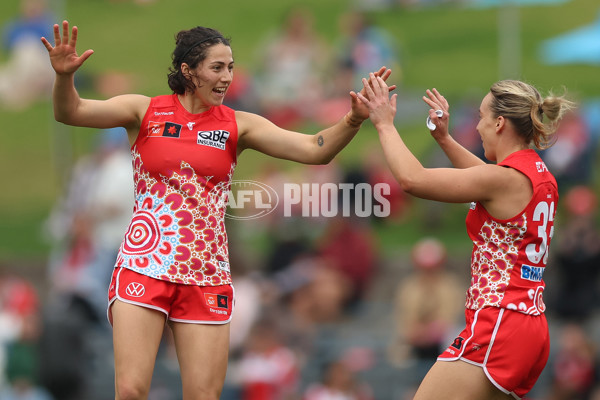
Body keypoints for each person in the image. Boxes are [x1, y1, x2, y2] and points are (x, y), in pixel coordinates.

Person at [41, 20, 394, 400]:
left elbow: (315, 148)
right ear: (187, 71)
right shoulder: (143, 111)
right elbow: (71, 112)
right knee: (129, 390)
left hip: (205, 274)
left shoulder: (239, 125)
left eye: (230, 67)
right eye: (217, 68)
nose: (227, 77)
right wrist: (64, 78)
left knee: (204, 396)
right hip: (143, 264)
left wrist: (353, 119)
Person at [356, 75, 574, 399]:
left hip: (499, 323)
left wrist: (384, 123)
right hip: (527, 325)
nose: (477, 127)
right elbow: (483, 181)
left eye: (482, 118)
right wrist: (444, 139)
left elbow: (413, 180)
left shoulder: (504, 180)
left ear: (500, 123)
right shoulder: (537, 174)